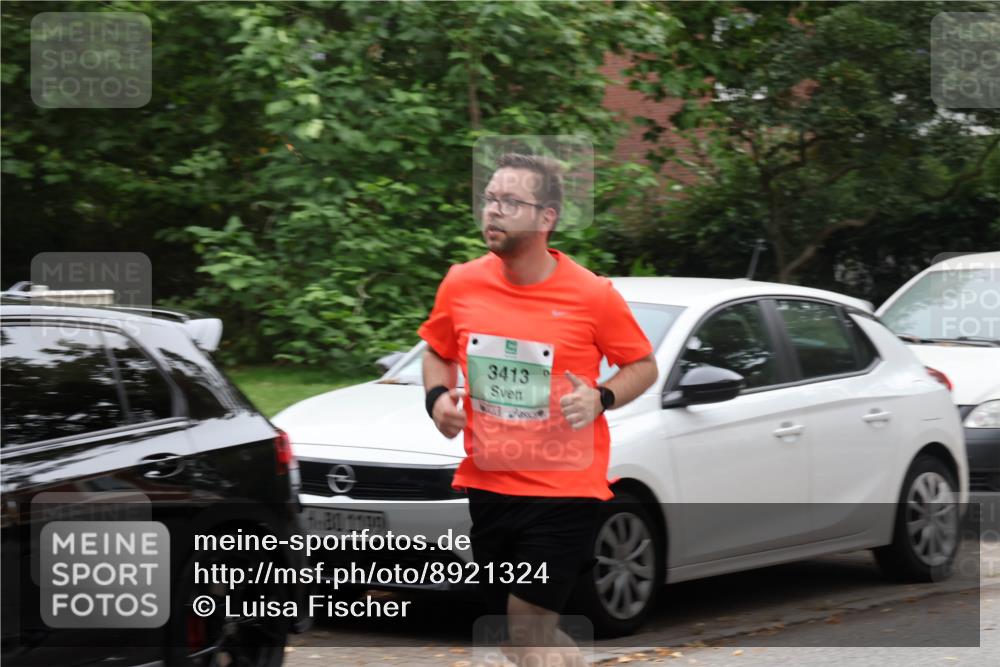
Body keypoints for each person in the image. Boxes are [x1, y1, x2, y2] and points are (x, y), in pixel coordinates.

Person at [418, 153, 657, 666]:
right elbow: (437, 351)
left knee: (526, 631)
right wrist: (437, 398)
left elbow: (642, 366)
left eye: (510, 201)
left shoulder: (592, 295)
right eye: (490, 199)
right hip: (489, 485)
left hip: (563, 491)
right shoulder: (461, 283)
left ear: (546, 217)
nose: (493, 210)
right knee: (516, 636)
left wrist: (601, 397)